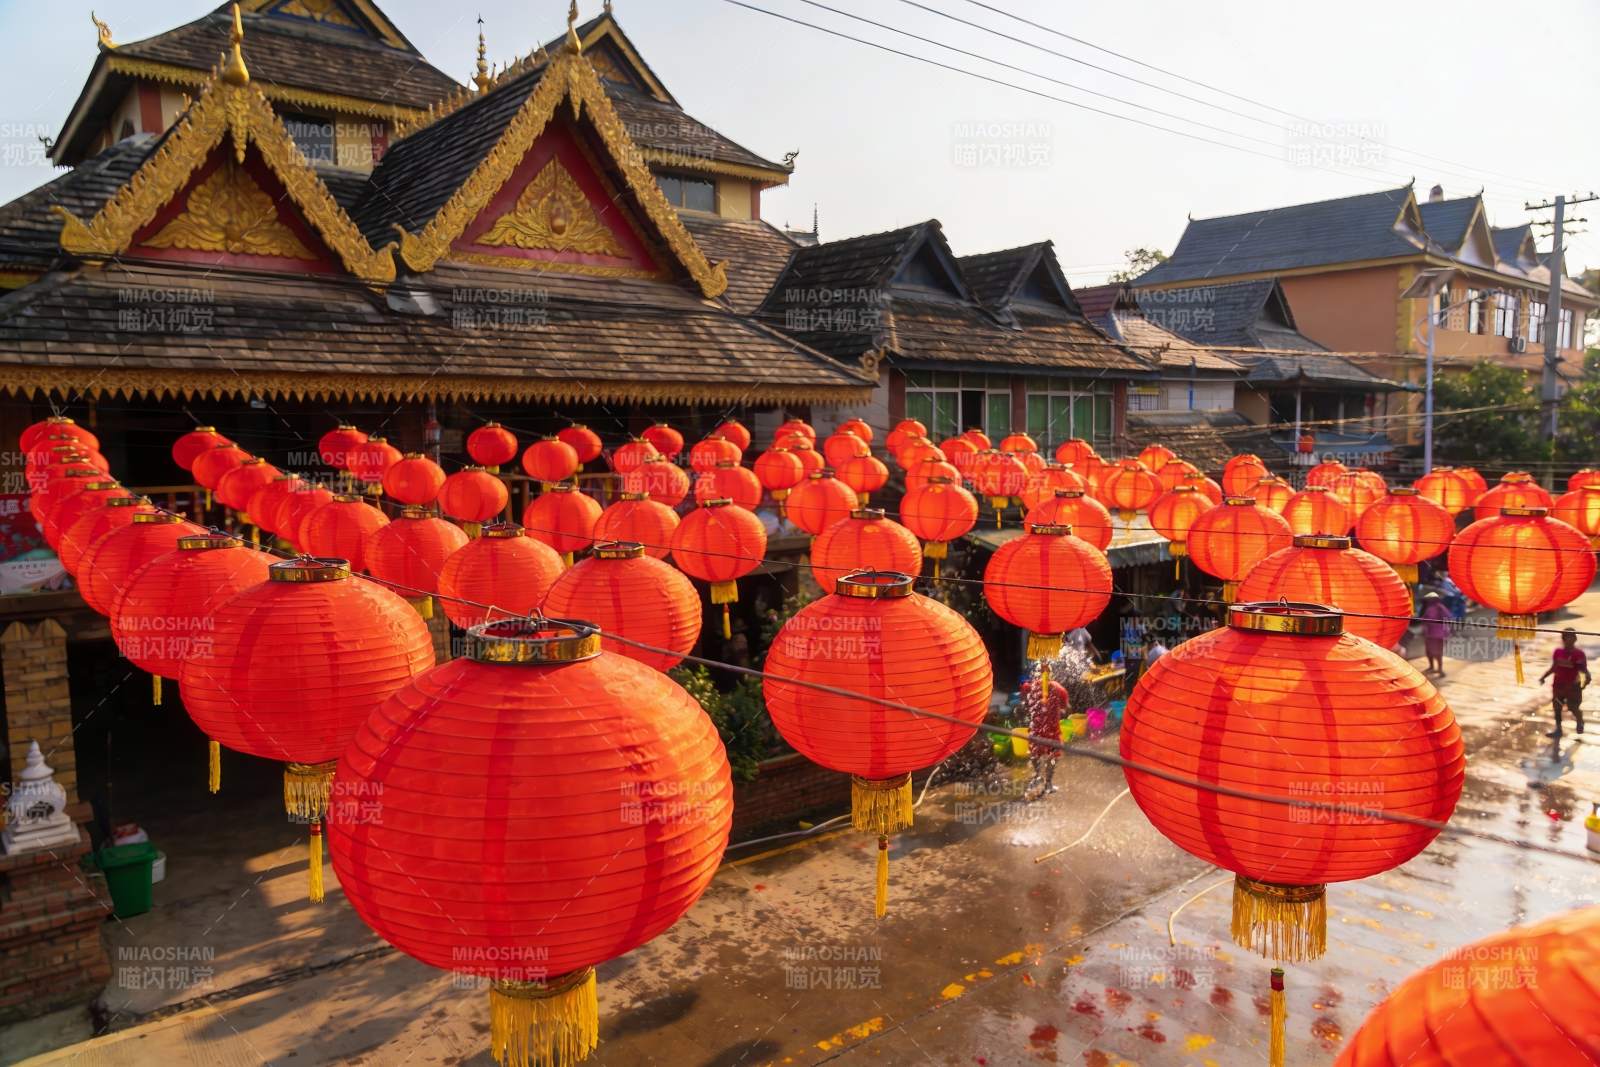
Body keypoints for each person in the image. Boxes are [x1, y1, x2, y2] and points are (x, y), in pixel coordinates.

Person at [1021, 675, 1067, 799]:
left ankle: (1037, 776)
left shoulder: (1031, 687)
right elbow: (1064, 707)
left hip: (1036, 729)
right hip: (1052, 730)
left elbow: (1024, 697)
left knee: (1035, 753)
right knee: (1053, 755)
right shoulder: (1059, 689)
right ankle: (1048, 783)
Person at [1539, 628, 1590, 738]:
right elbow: (1554, 667)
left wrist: (1585, 682)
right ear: (1563, 639)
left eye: (1571, 637)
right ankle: (1558, 729)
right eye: (1567, 637)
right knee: (1557, 707)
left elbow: (1583, 670)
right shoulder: (1558, 652)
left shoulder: (1579, 654)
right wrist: (1543, 677)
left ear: (1575, 638)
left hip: (1573, 687)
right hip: (1558, 686)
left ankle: (1580, 720)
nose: (1569, 639)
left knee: (1573, 707)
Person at [1419, 591, 1452, 677]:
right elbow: (1449, 617)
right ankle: (1439, 669)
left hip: (1431, 635)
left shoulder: (1430, 609)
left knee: (1430, 652)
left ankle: (1432, 667)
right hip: (1441, 635)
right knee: (1438, 653)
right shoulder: (1441, 607)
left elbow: (1426, 621)